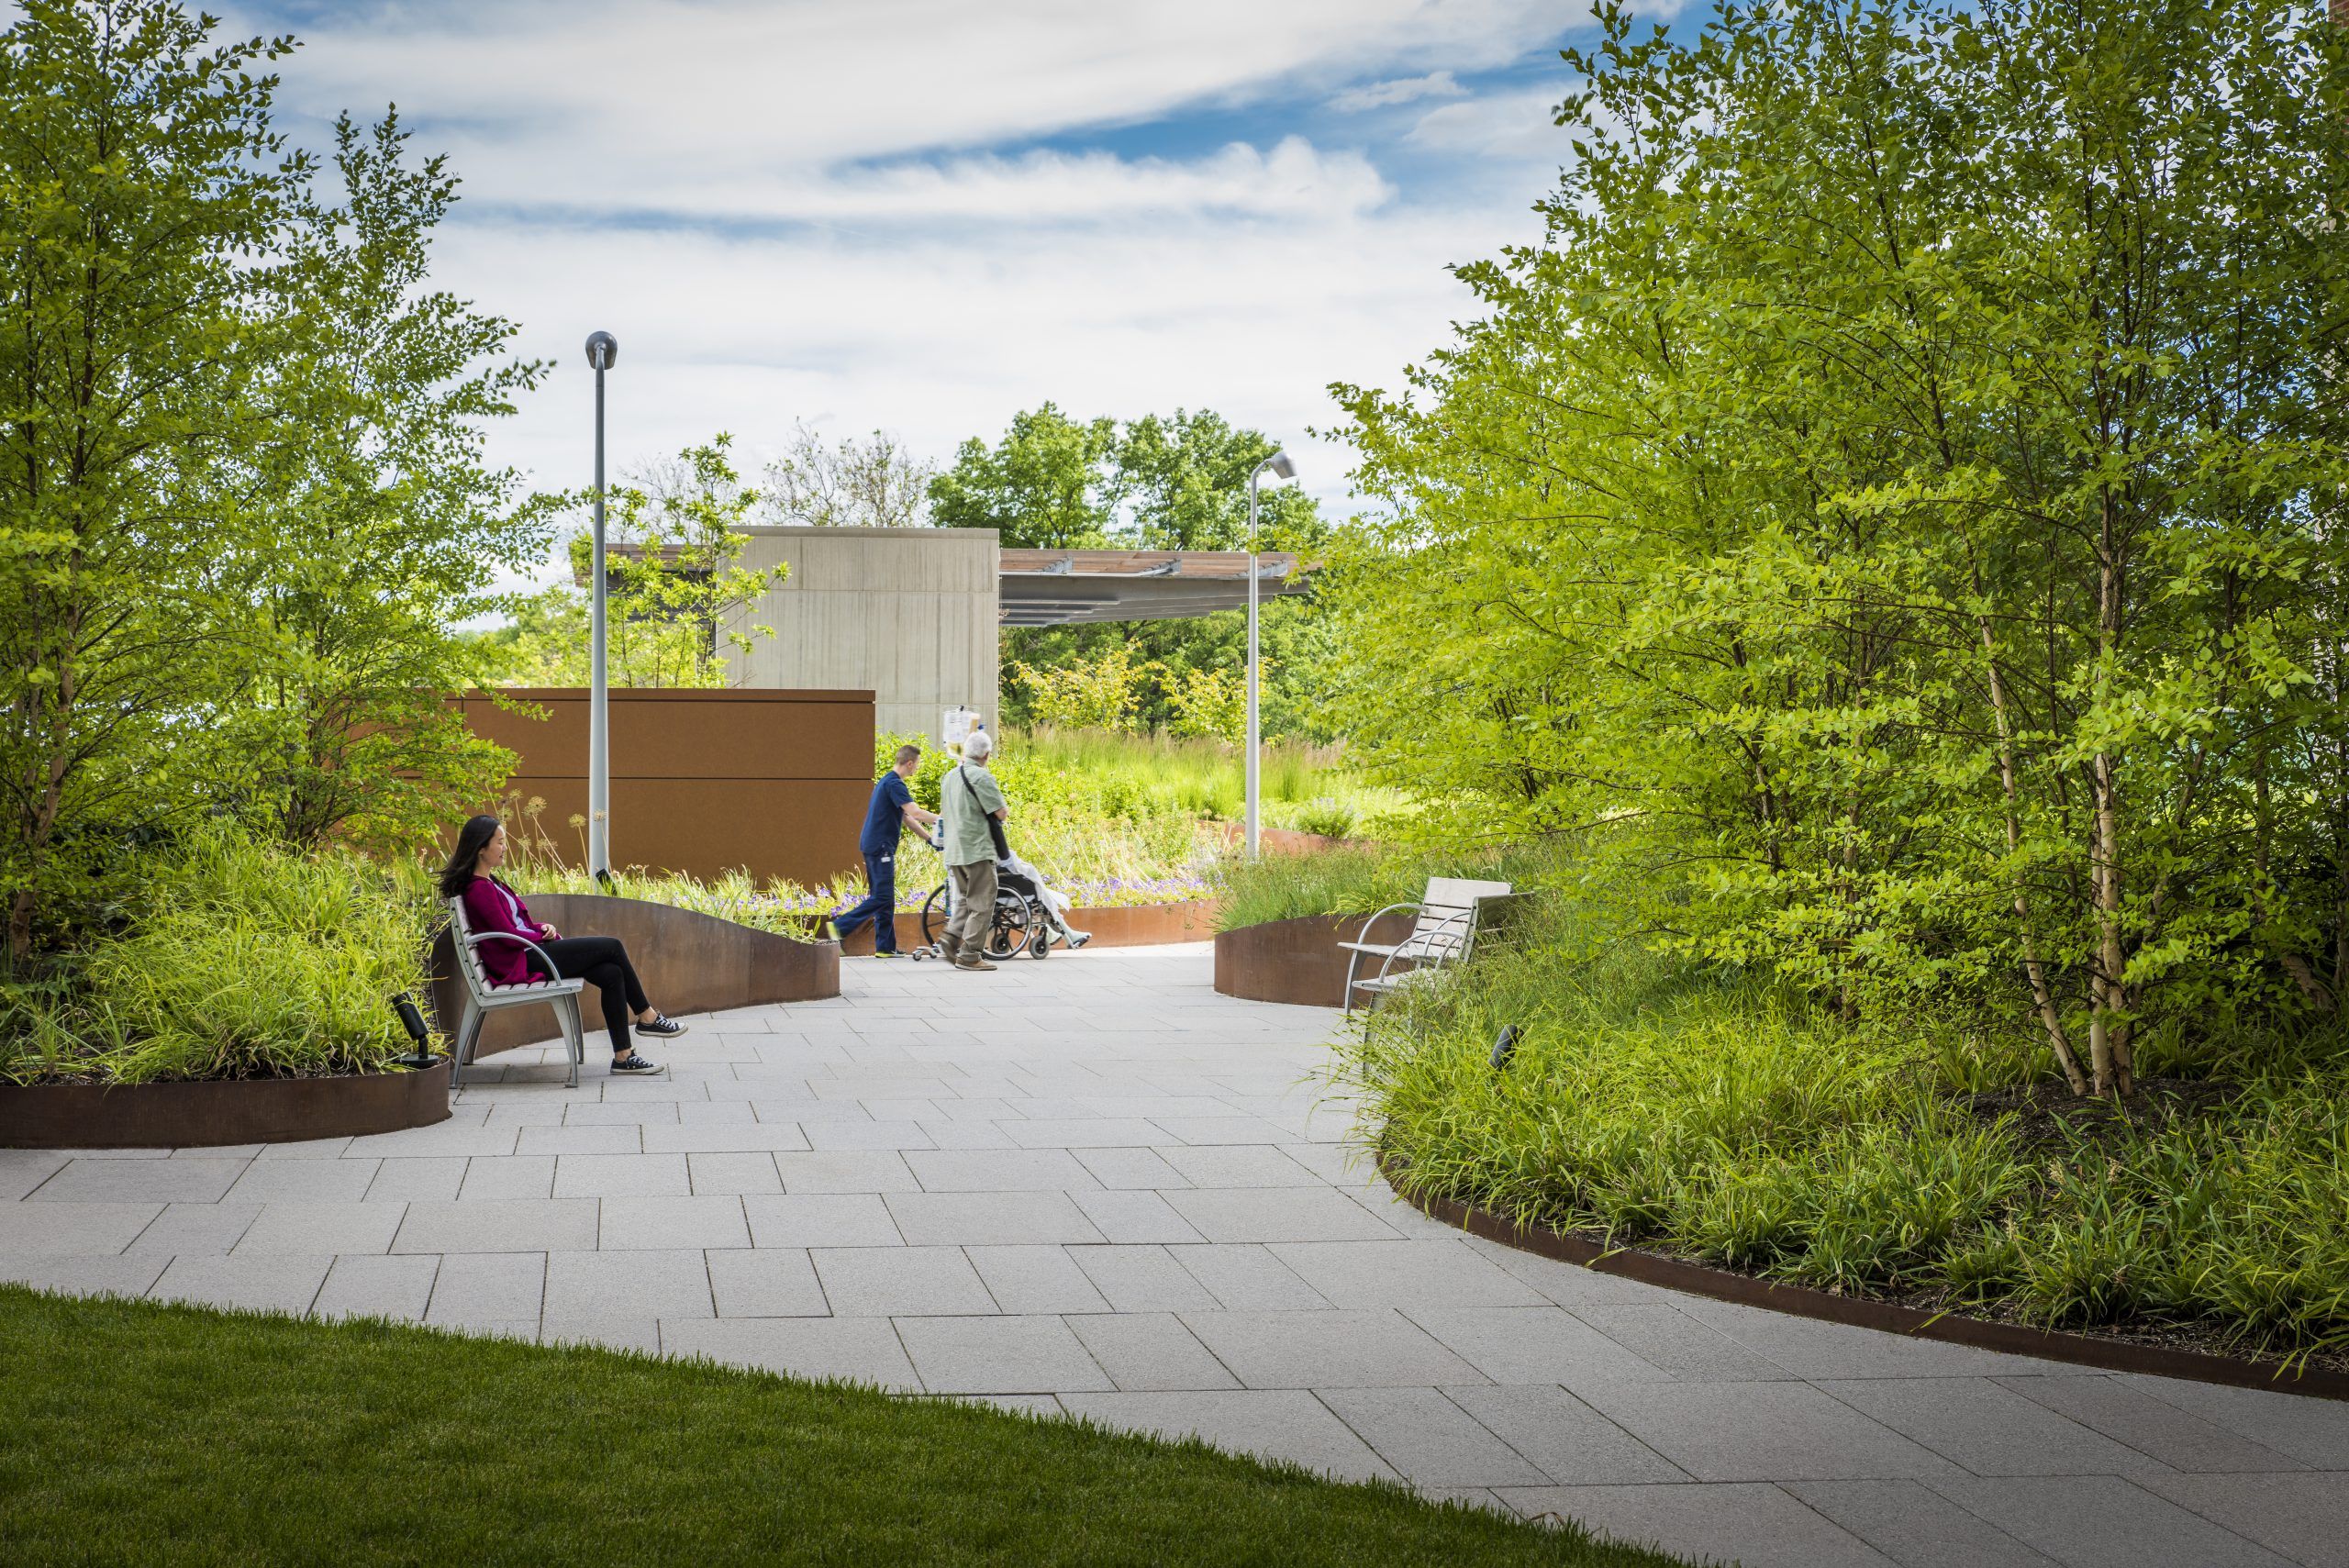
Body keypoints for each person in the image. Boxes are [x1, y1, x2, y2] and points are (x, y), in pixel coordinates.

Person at [440, 815, 687, 1073]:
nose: (505, 848)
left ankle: (623, 1057)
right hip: (523, 960)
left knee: (611, 973)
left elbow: (513, 926)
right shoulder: (479, 889)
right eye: (500, 842)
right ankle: (647, 1017)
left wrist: (540, 928)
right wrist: (539, 937)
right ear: (481, 847)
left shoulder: (491, 883)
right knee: (611, 946)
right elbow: (504, 935)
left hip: (530, 951)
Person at [829, 744, 939, 957]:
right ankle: (840, 927)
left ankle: (885, 947)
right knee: (882, 896)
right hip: (880, 847)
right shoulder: (895, 784)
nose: (917, 768)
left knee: (884, 897)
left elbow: (906, 818)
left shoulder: (887, 782)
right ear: (909, 763)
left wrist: (929, 839)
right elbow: (915, 812)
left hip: (873, 845)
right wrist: (943, 819)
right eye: (917, 764)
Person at [936, 727, 1008, 971]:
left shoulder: (949, 777)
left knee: (968, 900)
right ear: (986, 754)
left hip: (955, 851)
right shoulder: (982, 776)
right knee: (983, 902)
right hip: (976, 849)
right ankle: (969, 955)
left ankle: (949, 938)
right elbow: (1000, 812)